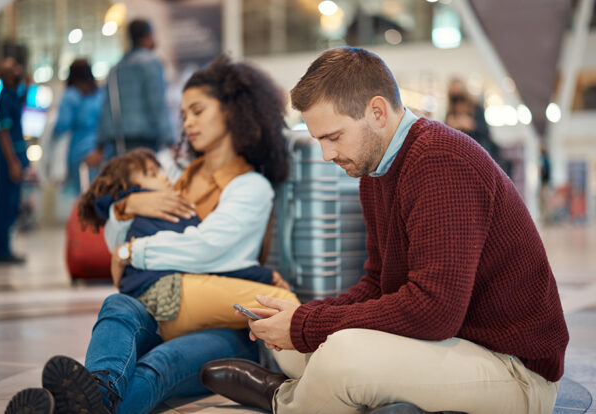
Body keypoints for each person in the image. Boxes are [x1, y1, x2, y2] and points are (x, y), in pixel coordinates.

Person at [200, 47, 570, 414]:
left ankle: (285, 401)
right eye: (319, 142)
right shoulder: (377, 171)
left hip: (514, 370)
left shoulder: (441, 160)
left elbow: (436, 310)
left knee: (339, 357)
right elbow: (378, 284)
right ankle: (318, 394)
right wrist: (303, 317)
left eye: (334, 137)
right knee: (298, 350)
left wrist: (308, 323)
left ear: (377, 112)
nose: (327, 155)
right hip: (459, 344)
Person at [5, 55, 294, 414]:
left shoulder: (250, 186)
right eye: (184, 114)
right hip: (161, 310)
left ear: (233, 110)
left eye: (198, 111)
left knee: (160, 365)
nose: (187, 122)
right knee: (117, 306)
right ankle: (100, 394)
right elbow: (114, 243)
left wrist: (133, 252)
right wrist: (127, 208)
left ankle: (74, 406)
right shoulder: (173, 172)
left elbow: (207, 250)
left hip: (225, 327)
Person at [76, 147, 294, 339]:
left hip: (156, 303)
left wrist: (125, 217)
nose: (164, 177)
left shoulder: (142, 217)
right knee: (284, 303)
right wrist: (264, 276)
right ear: (130, 189)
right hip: (172, 295)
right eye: (153, 174)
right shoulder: (168, 211)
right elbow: (205, 258)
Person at [93, 19, 174, 163]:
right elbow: (157, 104)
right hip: (147, 142)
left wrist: (100, 145)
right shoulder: (151, 63)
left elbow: (106, 109)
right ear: (148, 36)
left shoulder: (116, 68)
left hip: (119, 143)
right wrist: (170, 139)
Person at [52, 58, 105, 195]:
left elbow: (62, 126)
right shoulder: (100, 95)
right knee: (100, 197)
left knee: (83, 201)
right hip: (101, 152)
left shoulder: (70, 96)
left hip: (79, 154)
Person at [0, 57, 29, 263]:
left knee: (12, 203)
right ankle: (1, 250)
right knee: (5, 205)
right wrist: (13, 163)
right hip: (9, 160)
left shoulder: (12, 95)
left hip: (16, 157)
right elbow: (4, 134)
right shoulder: (3, 99)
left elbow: (24, 97)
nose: (17, 70)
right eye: (13, 69)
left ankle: (3, 248)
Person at [445, 78, 503, 169]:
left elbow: (486, 131)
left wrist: (471, 125)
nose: (458, 102)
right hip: (459, 151)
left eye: (460, 97)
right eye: (455, 99)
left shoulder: (476, 108)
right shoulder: (450, 113)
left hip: (478, 147)